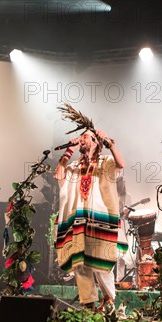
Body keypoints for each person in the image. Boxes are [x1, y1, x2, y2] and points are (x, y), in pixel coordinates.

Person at [54, 129, 125, 310]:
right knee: (79, 264)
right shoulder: (75, 166)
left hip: (100, 220)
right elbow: (59, 175)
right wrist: (68, 151)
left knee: (100, 262)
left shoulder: (105, 161)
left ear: (95, 141)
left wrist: (109, 142)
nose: (82, 139)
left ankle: (109, 299)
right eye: (81, 137)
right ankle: (89, 304)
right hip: (79, 221)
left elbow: (121, 164)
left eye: (85, 136)